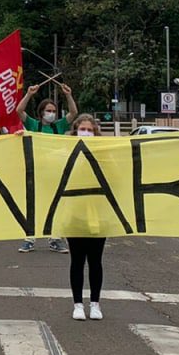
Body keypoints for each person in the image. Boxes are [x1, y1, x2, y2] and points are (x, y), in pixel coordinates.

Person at [15, 81, 78, 253]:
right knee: (34, 205)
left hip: (57, 172)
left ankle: (55, 239)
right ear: (41, 112)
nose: (51, 114)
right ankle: (29, 238)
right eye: (48, 111)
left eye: (53, 111)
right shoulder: (35, 125)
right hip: (37, 171)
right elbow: (19, 111)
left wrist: (68, 94)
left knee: (57, 205)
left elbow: (74, 112)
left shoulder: (59, 126)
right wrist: (29, 94)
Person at [65, 114, 107, 321]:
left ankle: (95, 303)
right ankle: (78, 304)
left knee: (95, 261)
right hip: (74, 213)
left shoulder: (103, 154)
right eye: (83, 129)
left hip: (98, 213)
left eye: (90, 130)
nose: (86, 133)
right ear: (75, 131)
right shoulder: (66, 152)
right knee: (77, 260)